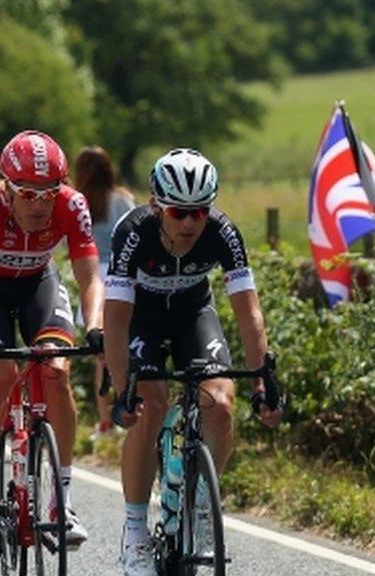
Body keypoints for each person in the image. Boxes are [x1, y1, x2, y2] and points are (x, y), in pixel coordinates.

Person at [104, 148, 281, 575]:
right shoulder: (133, 234)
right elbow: (115, 320)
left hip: (192, 313)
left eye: (199, 212)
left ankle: (201, 506)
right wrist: (121, 386)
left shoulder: (223, 232)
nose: (188, 223)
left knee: (220, 404)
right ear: (156, 205)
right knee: (152, 406)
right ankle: (134, 530)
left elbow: (247, 311)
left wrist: (263, 383)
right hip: (140, 318)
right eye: (178, 212)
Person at [0, 130, 103, 549]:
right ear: (6, 187)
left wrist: (94, 325)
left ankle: (62, 501)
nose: (39, 204)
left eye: (48, 193)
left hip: (39, 283)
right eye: (27, 194)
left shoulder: (72, 204)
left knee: (56, 369)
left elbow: (91, 277)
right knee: (1, 374)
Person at [73, 146, 136, 440]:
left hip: (93, 275)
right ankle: (130, 409)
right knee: (127, 347)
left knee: (103, 354)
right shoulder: (122, 200)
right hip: (122, 276)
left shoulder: (80, 202)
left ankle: (104, 421)